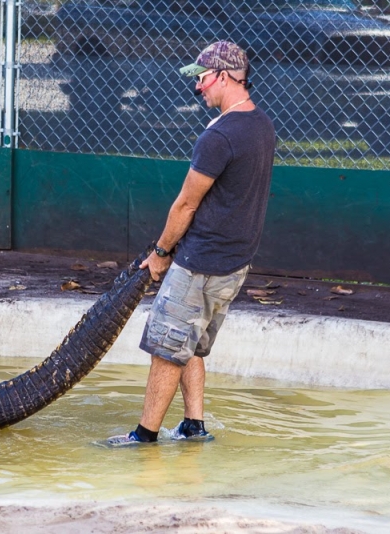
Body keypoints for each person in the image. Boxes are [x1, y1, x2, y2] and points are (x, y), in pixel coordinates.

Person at [108, 41, 276, 446]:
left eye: (201, 79)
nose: (197, 87)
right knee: (193, 344)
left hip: (201, 263)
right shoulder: (262, 125)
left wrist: (161, 253)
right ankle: (193, 426)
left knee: (167, 347)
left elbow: (185, 204)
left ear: (222, 76)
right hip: (235, 264)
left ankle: (144, 436)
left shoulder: (219, 136)